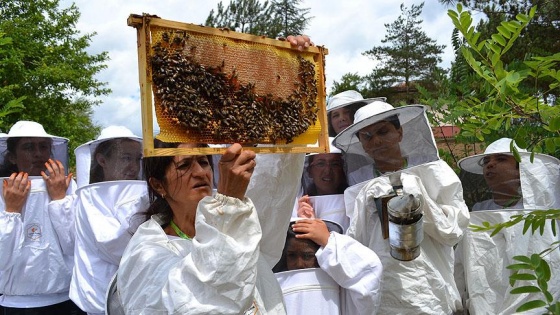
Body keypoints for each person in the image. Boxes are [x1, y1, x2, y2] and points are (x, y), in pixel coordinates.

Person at [113, 140, 304, 314]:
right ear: (158, 185)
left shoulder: (235, 218)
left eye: (203, 162)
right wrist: (228, 204)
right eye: (184, 165)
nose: (199, 172)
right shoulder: (146, 253)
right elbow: (199, 303)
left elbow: (273, 189)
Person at [333, 101, 470, 314]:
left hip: (431, 291)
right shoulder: (359, 189)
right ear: (361, 144)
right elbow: (358, 243)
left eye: (383, 131)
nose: (376, 141)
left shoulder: (434, 173)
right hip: (383, 295)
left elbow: (453, 231)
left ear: (399, 132)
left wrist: (417, 197)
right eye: (367, 136)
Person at [454, 137, 560, 314]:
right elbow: (463, 262)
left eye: (501, 159)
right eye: (486, 161)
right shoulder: (479, 210)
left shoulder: (540, 212)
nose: (490, 165)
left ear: (521, 170)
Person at [0, 121, 83, 314]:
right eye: (29, 147)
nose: (38, 153)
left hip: (66, 297)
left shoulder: (67, 186)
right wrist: (12, 209)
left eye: (43, 146)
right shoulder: (3, 191)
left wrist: (60, 198)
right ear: (12, 156)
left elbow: (74, 244)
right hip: (16, 303)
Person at [70, 126, 146, 315]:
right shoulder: (90, 199)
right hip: (100, 303)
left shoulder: (139, 192)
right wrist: (144, 203)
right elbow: (115, 246)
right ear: (102, 160)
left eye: (138, 159)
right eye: (126, 158)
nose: (134, 167)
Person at [273, 218, 382, 315]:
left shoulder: (342, 288)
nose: (299, 264)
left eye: (308, 256)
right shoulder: (273, 287)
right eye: (292, 255)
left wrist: (329, 241)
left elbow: (370, 270)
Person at [326, 91, 386, 175]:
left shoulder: (380, 142)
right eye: (336, 115)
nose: (342, 118)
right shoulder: (326, 151)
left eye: (347, 112)